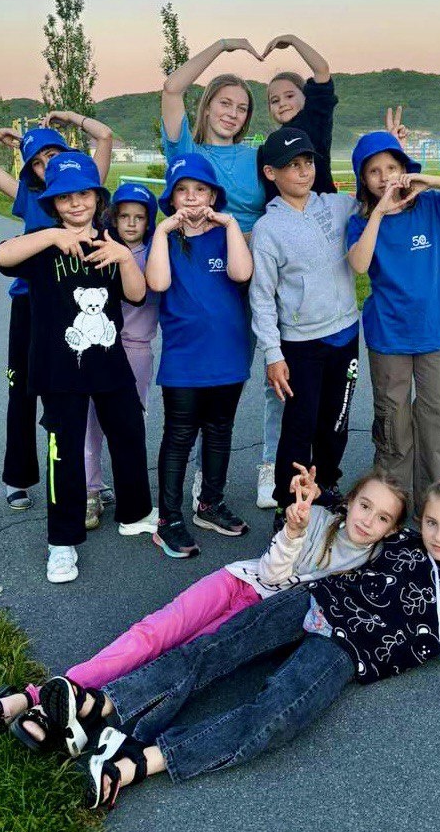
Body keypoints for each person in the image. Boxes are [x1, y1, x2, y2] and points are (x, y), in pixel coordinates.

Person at [48, 480, 440, 810]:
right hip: (313, 600)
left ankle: (135, 764)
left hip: (345, 653)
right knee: (214, 651)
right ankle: (101, 704)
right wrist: (312, 491)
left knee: (276, 715)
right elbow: (353, 506)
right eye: (432, 522)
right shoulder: (401, 541)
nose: (439, 535)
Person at [0, 467, 409, 753]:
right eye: (365, 505)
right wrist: (293, 532)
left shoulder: (376, 562)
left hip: (258, 621)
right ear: (350, 500)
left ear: (392, 530)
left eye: (382, 518)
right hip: (238, 582)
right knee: (151, 634)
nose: (367, 520)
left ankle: (60, 710)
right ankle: (34, 698)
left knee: (178, 663)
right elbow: (271, 574)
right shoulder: (316, 518)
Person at [0, 151, 154, 583]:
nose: (76, 203)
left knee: (129, 433)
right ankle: (61, 543)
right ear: (53, 203)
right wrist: (50, 236)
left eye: (84, 194)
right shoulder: (42, 243)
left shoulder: (110, 242)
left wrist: (124, 257)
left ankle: (136, 512)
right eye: (65, 197)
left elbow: (137, 295)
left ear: (98, 198)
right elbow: (0, 257)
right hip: (58, 369)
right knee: (63, 455)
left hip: (110, 362)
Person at [0, 112, 114, 512]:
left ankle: (88, 478)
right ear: (30, 170)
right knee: (22, 390)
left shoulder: (82, 187)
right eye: (37, 161)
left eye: (53, 154)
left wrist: (69, 117)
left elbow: (104, 136)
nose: (46, 164)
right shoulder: (27, 195)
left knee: (79, 393)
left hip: (75, 302)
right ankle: (18, 477)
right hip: (30, 303)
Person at [161, 37, 279, 512]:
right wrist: (223, 47)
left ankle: (271, 466)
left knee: (268, 370)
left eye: (242, 107)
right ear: (207, 106)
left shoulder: (256, 156)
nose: (233, 113)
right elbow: (172, 89)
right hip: (206, 272)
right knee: (210, 378)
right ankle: (201, 477)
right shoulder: (187, 151)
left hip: (257, 270)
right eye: (225, 103)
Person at [346, 130, 440, 509]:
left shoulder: (434, 207)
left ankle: (435, 507)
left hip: (436, 333)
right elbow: (359, 264)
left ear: (405, 169)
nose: (384, 177)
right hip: (388, 335)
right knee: (393, 421)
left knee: (438, 420)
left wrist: (433, 180)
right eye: (374, 171)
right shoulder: (361, 221)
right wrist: (379, 213)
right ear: (363, 180)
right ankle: (392, 507)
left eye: (391, 167)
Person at [250, 127, 360, 530]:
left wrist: (392, 152)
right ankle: (288, 504)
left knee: (336, 423)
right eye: (292, 165)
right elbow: (262, 297)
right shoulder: (268, 229)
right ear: (271, 172)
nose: (303, 171)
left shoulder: (337, 205)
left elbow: (377, 200)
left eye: (308, 162)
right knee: (300, 428)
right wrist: (273, 354)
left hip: (346, 336)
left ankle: (325, 486)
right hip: (301, 346)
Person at [145, 154, 253, 557]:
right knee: (179, 437)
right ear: (172, 199)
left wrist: (230, 224)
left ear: (212, 196)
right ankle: (169, 519)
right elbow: (158, 282)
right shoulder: (166, 239)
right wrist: (162, 231)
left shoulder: (226, 234)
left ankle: (210, 503)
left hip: (228, 356)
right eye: (182, 190)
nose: (191, 197)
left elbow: (241, 273)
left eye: (200, 189)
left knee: (220, 431)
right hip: (184, 360)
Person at [84, 182, 159, 530]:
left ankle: (131, 494)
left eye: (139, 217)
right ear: (113, 217)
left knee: (130, 427)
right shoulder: (101, 249)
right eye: (124, 215)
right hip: (100, 349)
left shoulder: (156, 253)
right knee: (91, 424)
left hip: (137, 350)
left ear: (149, 221)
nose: (131, 223)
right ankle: (90, 490)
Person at [259, 34, 338, 198]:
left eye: (289, 96)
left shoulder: (314, 119)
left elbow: (322, 70)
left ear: (306, 97)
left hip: (324, 206)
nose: (282, 103)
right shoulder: (271, 144)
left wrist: (293, 40)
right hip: (287, 211)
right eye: (275, 100)